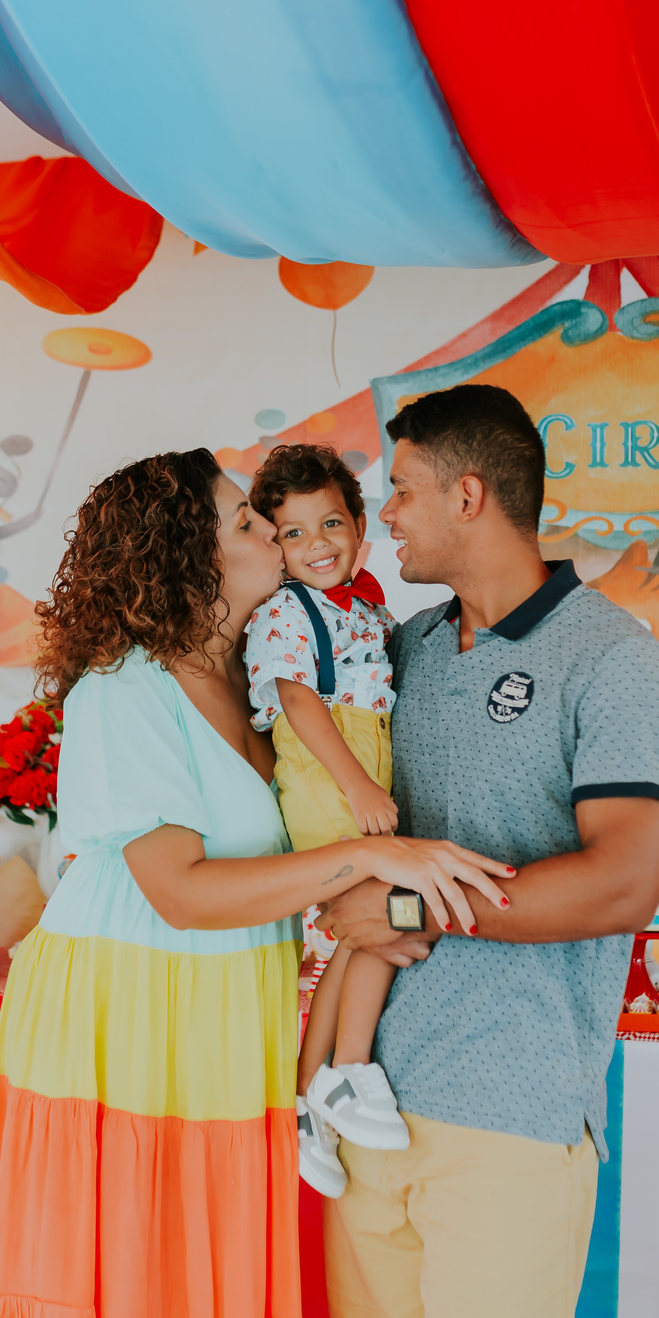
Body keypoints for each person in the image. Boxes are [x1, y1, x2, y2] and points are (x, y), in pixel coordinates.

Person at [0, 447, 511, 1318]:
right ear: (189, 555)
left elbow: (273, 867)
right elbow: (182, 891)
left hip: (220, 1017)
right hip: (126, 1023)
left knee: (206, 1298)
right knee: (125, 1295)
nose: (270, 531)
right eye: (244, 522)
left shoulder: (247, 684)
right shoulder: (125, 689)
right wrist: (376, 859)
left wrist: (363, 906)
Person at [316, 386, 659, 1318]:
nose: (387, 514)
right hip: (374, 1107)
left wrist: (404, 909)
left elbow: (623, 881)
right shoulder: (403, 651)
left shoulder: (613, 658)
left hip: (511, 1114)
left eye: (402, 489)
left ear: (469, 495)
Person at [246, 445, 488, 1199]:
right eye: (293, 533)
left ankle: (308, 1095)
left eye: (330, 523)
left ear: (358, 524)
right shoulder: (288, 611)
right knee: (383, 918)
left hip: (362, 770)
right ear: (274, 547)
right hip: (328, 779)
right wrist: (356, 788)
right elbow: (298, 701)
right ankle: (347, 1069)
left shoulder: (372, 611)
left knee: (358, 934)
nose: (316, 544)